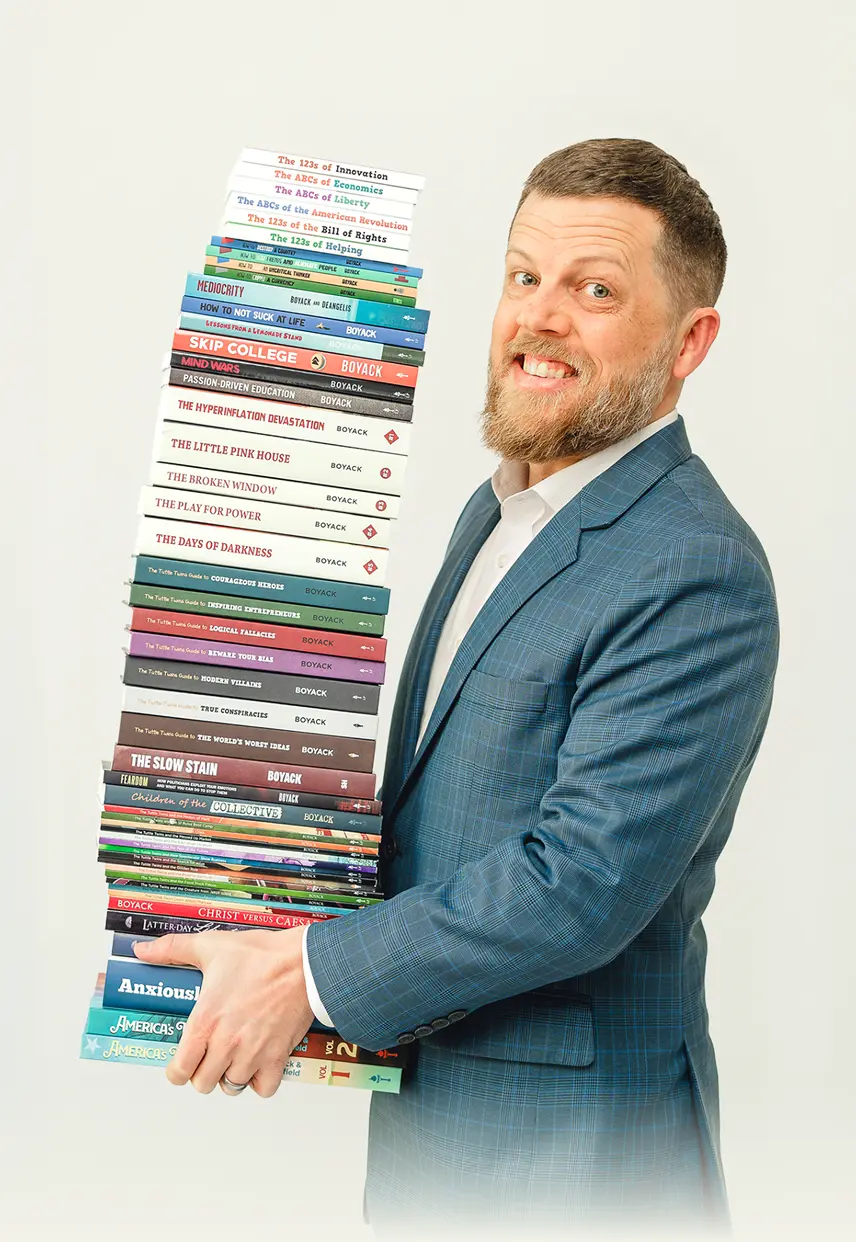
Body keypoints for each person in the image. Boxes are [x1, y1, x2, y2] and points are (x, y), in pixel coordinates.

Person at [136, 138, 780, 1239]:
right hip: (443, 1127)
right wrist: (244, 878)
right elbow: (443, 815)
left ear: (689, 343)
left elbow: (577, 884)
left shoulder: (695, 568)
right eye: (523, 276)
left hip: (577, 1162)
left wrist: (307, 974)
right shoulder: (498, 512)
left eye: (593, 290)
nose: (538, 316)